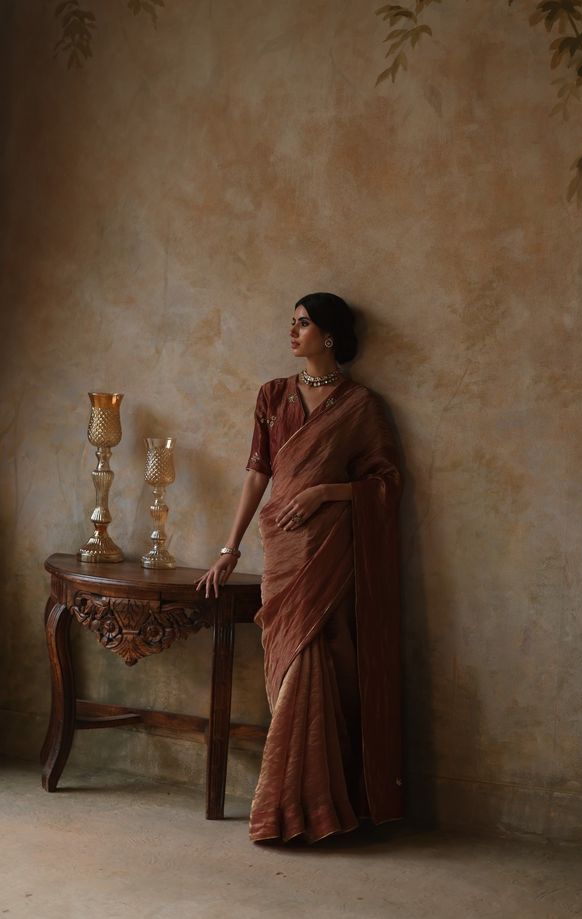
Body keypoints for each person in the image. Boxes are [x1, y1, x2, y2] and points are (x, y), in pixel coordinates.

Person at [195, 292, 404, 845]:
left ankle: (306, 809)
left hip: (331, 550)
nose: (292, 333)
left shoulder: (361, 406)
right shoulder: (272, 396)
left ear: (329, 336)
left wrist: (324, 493)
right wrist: (229, 547)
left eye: (303, 324)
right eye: (291, 323)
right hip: (282, 552)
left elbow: (386, 484)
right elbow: (256, 477)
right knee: (287, 663)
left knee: (320, 665)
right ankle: (304, 805)